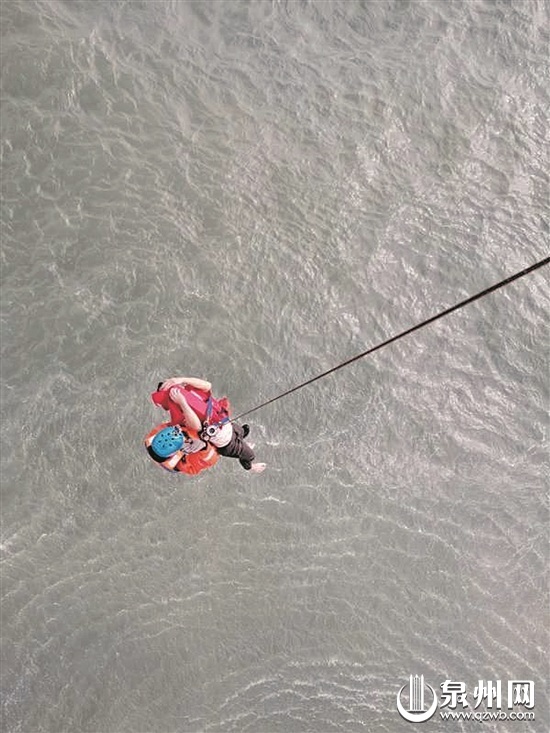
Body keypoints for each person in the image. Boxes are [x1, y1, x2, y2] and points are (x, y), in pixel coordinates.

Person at [152, 376, 266, 474]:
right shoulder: (180, 410)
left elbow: (207, 386)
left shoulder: (188, 391)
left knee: (240, 430)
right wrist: (182, 403)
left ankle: (241, 436)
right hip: (226, 443)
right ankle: (251, 467)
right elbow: (197, 427)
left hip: (225, 423)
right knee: (249, 455)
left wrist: (181, 379)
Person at [144, 423, 218, 476]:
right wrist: (204, 446)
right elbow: (212, 457)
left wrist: (183, 427)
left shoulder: (155, 436)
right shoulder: (186, 465)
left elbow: (170, 424)